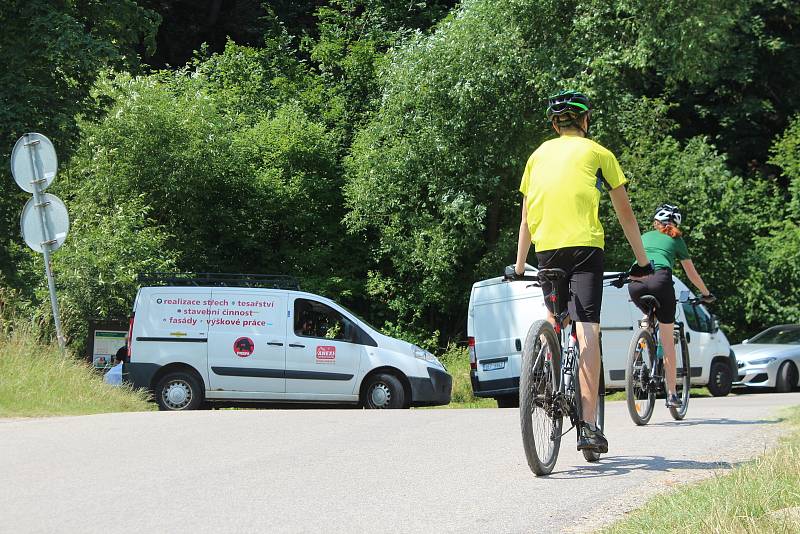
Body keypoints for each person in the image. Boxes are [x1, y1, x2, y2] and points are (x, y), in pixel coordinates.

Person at [512, 90, 653, 453]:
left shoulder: (536, 156)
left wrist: (518, 265)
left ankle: (545, 368)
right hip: (585, 248)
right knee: (588, 328)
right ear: (585, 121)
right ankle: (588, 427)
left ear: (554, 125)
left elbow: (527, 217)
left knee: (554, 315)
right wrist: (642, 262)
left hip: (546, 250)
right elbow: (625, 214)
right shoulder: (598, 153)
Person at [627, 203, 715, 408]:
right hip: (660, 281)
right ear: (675, 223)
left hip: (635, 284)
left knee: (648, 312)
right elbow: (691, 273)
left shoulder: (645, 236)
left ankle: (644, 334)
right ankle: (672, 394)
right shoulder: (676, 239)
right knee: (667, 340)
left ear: (656, 222)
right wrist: (706, 293)